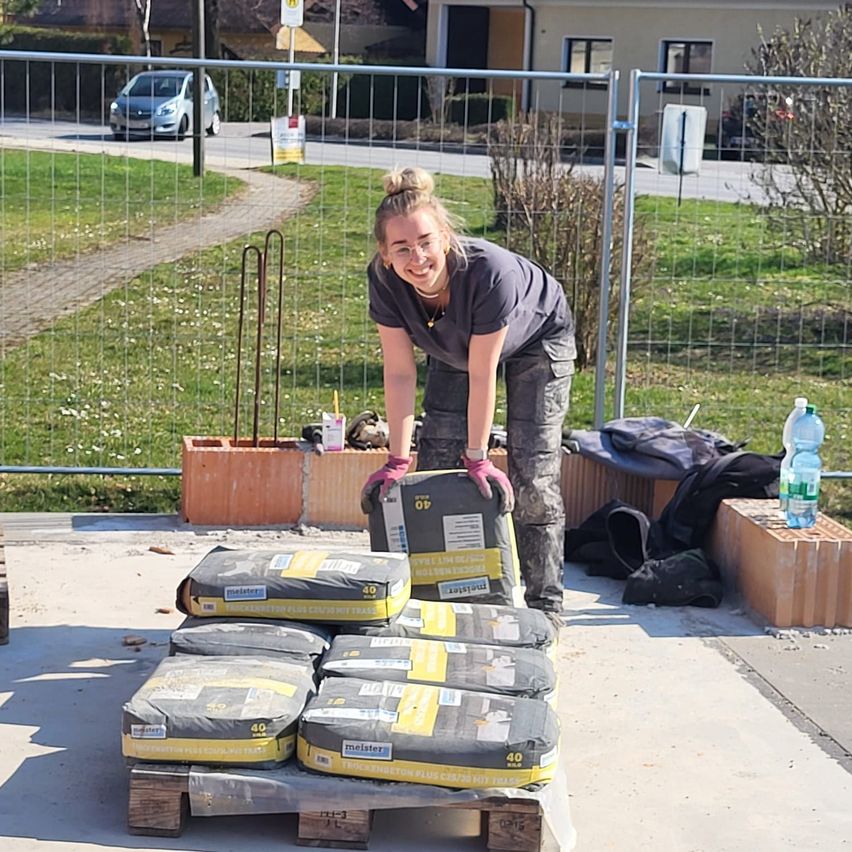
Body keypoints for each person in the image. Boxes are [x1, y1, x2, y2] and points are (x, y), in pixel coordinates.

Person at [360, 167, 575, 621]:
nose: (417, 258)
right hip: (455, 342)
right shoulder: (384, 281)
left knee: (531, 474)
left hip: (538, 339)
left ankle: (544, 606)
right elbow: (399, 372)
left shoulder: (488, 274)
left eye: (425, 242)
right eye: (401, 248)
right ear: (384, 254)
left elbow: (484, 374)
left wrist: (479, 456)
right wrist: (397, 460)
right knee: (435, 467)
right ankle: (449, 600)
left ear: (445, 235)